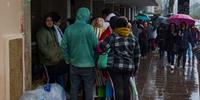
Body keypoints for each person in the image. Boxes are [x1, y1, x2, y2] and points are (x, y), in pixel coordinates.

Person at [97, 18, 140, 100]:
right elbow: (137, 56)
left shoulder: (112, 36)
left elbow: (102, 48)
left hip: (115, 67)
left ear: (116, 26)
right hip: (129, 67)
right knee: (126, 87)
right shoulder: (133, 38)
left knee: (118, 88)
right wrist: (135, 69)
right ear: (127, 26)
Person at [61, 7, 98, 100]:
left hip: (74, 64)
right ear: (86, 16)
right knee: (88, 88)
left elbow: (63, 46)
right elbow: (96, 45)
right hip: (88, 64)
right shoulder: (89, 28)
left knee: (74, 88)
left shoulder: (69, 29)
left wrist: (67, 58)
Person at [36, 13, 68, 88]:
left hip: (56, 61)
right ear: (44, 21)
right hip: (48, 63)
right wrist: (52, 57)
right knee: (50, 82)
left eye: (51, 20)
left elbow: (57, 45)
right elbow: (43, 48)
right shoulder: (42, 32)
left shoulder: (52, 30)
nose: (50, 22)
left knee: (59, 81)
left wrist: (60, 57)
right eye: (47, 20)